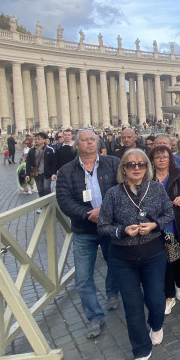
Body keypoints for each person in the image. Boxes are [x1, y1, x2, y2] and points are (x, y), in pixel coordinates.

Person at [98, 149, 174, 360]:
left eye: (141, 164)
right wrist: (122, 231)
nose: (136, 168)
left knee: (156, 300)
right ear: (124, 168)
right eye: (131, 164)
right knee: (132, 306)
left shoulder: (157, 189)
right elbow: (103, 225)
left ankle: (156, 324)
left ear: (147, 167)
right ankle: (141, 350)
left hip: (153, 254)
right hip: (123, 258)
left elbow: (169, 213)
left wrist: (155, 225)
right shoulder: (113, 193)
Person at [56, 129, 122, 340]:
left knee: (115, 263)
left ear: (98, 142)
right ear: (77, 144)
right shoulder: (66, 171)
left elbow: (122, 189)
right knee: (83, 277)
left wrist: (104, 211)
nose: (89, 143)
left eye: (92, 139)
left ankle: (112, 292)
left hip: (110, 225)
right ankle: (94, 316)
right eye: (84, 140)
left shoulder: (112, 163)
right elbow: (64, 201)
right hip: (84, 229)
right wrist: (88, 215)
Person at [149, 145, 180, 315]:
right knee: (166, 261)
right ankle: (169, 295)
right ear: (153, 160)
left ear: (170, 159)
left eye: (164, 157)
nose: (161, 160)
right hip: (158, 225)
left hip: (178, 223)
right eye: (158, 157)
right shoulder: (148, 176)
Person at [26, 132, 57, 198]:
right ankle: (42, 202)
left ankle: (48, 202)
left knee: (46, 188)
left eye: (39, 139)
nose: (37, 140)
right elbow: (28, 163)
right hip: (37, 173)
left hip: (47, 173)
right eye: (36, 139)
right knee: (40, 189)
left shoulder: (49, 150)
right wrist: (27, 174)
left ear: (43, 140)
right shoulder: (31, 151)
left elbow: (53, 162)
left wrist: (54, 173)